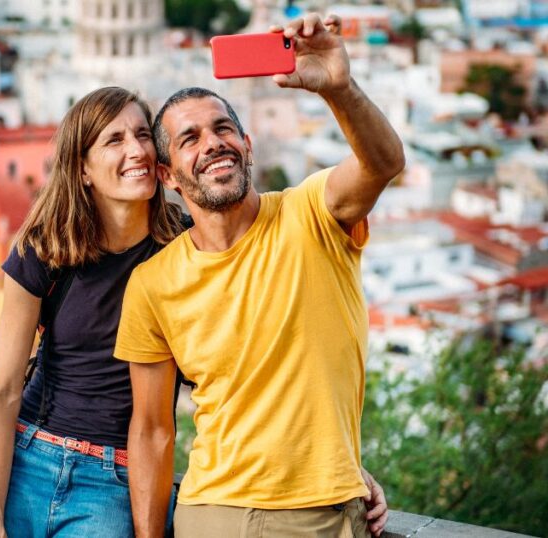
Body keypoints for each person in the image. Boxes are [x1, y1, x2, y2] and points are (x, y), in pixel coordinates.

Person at [0, 84, 388, 536]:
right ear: (83, 169)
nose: (136, 150)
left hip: (113, 477)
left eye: (142, 136)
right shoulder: (48, 246)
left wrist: (338, 467)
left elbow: (261, 348)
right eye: (114, 140)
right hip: (31, 455)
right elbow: (4, 390)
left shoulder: (189, 241)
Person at [115, 13, 404, 538]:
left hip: (336, 512)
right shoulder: (153, 283)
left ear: (246, 143)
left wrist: (340, 90)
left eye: (223, 128)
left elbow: (382, 163)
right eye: (190, 138)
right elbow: (153, 431)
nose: (212, 143)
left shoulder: (311, 213)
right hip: (219, 513)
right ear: (167, 176)